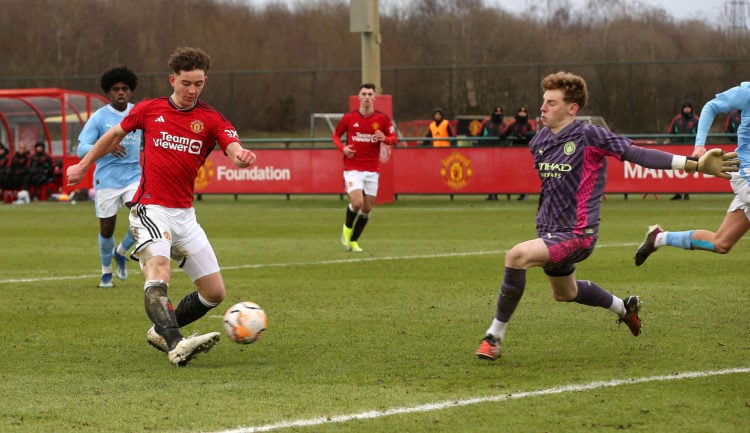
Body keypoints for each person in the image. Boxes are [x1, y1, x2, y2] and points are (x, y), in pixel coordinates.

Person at [475, 71, 739, 361]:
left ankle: (493, 337)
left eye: (551, 102)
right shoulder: (538, 141)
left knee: (516, 256)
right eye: (544, 101)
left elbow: (637, 154)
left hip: (578, 235)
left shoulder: (590, 136)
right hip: (549, 233)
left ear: (572, 108)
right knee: (565, 293)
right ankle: (624, 308)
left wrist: (694, 164)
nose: (543, 108)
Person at [66, 47, 258, 367]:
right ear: (172, 80)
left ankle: (160, 329)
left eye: (198, 83)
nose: (192, 90)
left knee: (214, 293)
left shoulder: (211, 119)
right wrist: (83, 165)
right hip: (150, 208)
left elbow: (233, 147)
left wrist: (241, 157)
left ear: (205, 81)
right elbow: (112, 135)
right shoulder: (148, 110)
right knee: (159, 270)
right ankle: (175, 343)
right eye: (186, 83)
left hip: (185, 214)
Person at [634, 83, 749, 267]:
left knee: (721, 243)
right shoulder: (747, 92)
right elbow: (711, 106)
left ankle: (659, 238)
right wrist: (699, 144)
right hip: (746, 171)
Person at [77, 66, 143, 288]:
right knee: (107, 228)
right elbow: (81, 149)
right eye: (116, 89)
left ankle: (121, 251)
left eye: (125, 88)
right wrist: (106, 147)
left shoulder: (139, 113)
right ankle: (106, 273)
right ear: (109, 92)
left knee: (143, 216)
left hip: (134, 175)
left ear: (131, 90)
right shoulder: (99, 118)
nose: (121, 92)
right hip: (106, 179)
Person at [333, 83, 397, 253]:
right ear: (359, 97)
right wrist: (343, 148)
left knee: (367, 208)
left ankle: (353, 241)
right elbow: (336, 136)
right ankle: (346, 230)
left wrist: (385, 138)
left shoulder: (382, 119)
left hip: (372, 170)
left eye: (370, 94)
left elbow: (393, 138)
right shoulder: (349, 118)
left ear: (374, 97)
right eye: (364, 94)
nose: (367, 97)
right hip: (352, 168)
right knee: (357, 202)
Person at [667, 101, 700, 200]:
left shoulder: (696, 120)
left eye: (688, 107)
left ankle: (686, 193)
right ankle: (678, 192)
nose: (686, 109)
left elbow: (701, 132)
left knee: (688, 170)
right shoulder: (677, 119)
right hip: (677, 148)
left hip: (690, 149)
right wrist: (674, 143)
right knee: (677, 170)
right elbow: (670, 132)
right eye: (685, 107)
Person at [504, 105, 537, 201]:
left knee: (524, 173)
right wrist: (513, 135)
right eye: (520, 112)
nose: (522, 114)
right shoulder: (512, 124)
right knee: (513, 173)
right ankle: (510, 193)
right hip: (514, 153)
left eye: (524, 113)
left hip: (526, 152)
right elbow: (504, 134)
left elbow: (534, 133)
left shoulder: (529, 124)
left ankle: (524, 192)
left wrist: (523, 135)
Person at [478, 106, 507, 200]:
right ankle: (491, 193)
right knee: (488, 173)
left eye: (500, 112)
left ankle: (496, 192)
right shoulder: (486, 123)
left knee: (498, 173)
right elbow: (479, 134)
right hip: (488, 152)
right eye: (496, 111)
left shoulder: (504, 124)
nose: (498, 113)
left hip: (499, 152)